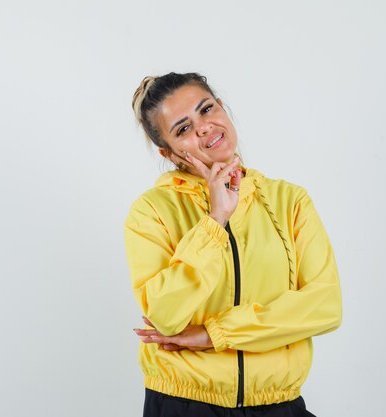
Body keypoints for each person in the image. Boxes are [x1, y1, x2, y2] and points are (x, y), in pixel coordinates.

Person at [124, 72, 342, 417]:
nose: (204, 127)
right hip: (185, 405)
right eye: (183, 129)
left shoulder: (290, 201)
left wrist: (217, 334)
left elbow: (325, 305)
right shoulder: (152, 211)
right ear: (170, 153)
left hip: (278, 405)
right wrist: (215, 220)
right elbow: (165, 315)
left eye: (206, 109)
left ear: (222, 108)